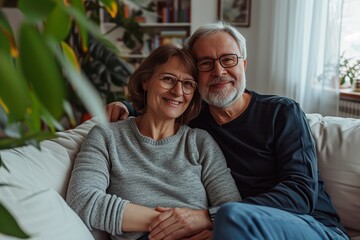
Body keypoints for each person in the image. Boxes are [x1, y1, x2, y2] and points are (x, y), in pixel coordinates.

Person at [106, 21, 349, 240]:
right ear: (195, 74)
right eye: (206, 63)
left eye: (228, 59)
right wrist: (125, 106)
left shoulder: (282, 113)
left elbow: (301, 193)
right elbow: (161, 104)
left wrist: (209, 216)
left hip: (313, 227)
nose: (219, 71)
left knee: (231, 216)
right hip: (238, 228)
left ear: (243, 64)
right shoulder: (194, 118)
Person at [66, 44, 241, 240]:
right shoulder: (107, 136)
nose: (177, 91)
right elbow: (82, 199)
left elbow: (232, 208)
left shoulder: (200, 142)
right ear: (145, 81)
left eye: (188, 84)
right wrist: (177, 223)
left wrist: (207, 224)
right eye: (168, 79)